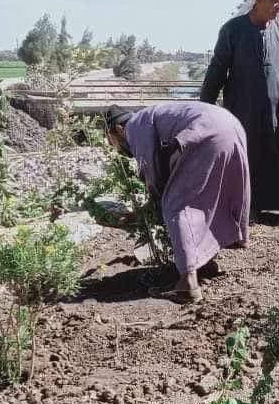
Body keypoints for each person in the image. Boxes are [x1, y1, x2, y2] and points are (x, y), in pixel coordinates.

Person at [105, 101, 250, 304]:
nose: (115, 147)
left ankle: (187, 285)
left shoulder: (134, 127)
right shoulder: (151, 116)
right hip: (231, 126)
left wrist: (153, 204)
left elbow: (152, 170)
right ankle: (205, 262)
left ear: (118, 129)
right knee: (210, 199)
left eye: (112, 140)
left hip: (205, 133)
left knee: (176, 205)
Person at [200, 0, 279, 222]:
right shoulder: (232, 30)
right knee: (246, 158)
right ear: (257, 1)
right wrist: (205, 106)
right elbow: (217, 69)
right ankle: (247, 209)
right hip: (244, 110)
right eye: (274, 2)